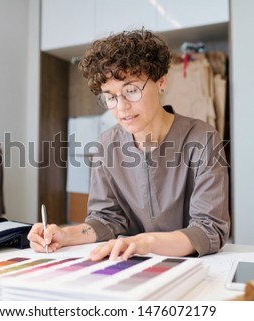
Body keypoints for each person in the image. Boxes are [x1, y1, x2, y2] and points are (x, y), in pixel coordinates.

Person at [28, 29, 230, 260]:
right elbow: (106, 219)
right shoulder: (106, 145)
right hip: (129, 265)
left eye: (131, 90)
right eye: (110, 96)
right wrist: (66, 235)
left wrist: (145, 241)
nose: (121, 107)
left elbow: (209, 229)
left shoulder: (202, 138)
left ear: (161, 82)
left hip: (190, 267)